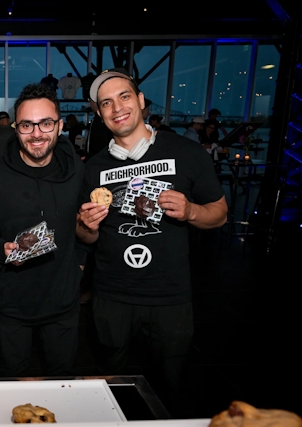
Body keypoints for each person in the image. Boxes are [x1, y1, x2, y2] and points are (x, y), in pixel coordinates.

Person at [77, 68, 228, 417]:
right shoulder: (94, 168)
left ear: (141, 101)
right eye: (106, 103)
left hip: (170, 297)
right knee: (109, 388)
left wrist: (190, 211)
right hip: (112, 295)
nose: (117, 108)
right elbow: (85, 237)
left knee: (171, 387)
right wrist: (86, 225)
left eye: (124, 97)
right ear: (100, 114)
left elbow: (219, 214)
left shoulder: (186, 152)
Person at [0, 83, 86, 377]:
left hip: (63, 302)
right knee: (12, 386)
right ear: (15, 127)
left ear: (60, 125)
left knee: (63, 385)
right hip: (12, 305)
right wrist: (4, 252)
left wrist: (82, 264)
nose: (37, 133)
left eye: (46, 123)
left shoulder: (77, 172)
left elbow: (86, 223)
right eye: (27, 125)